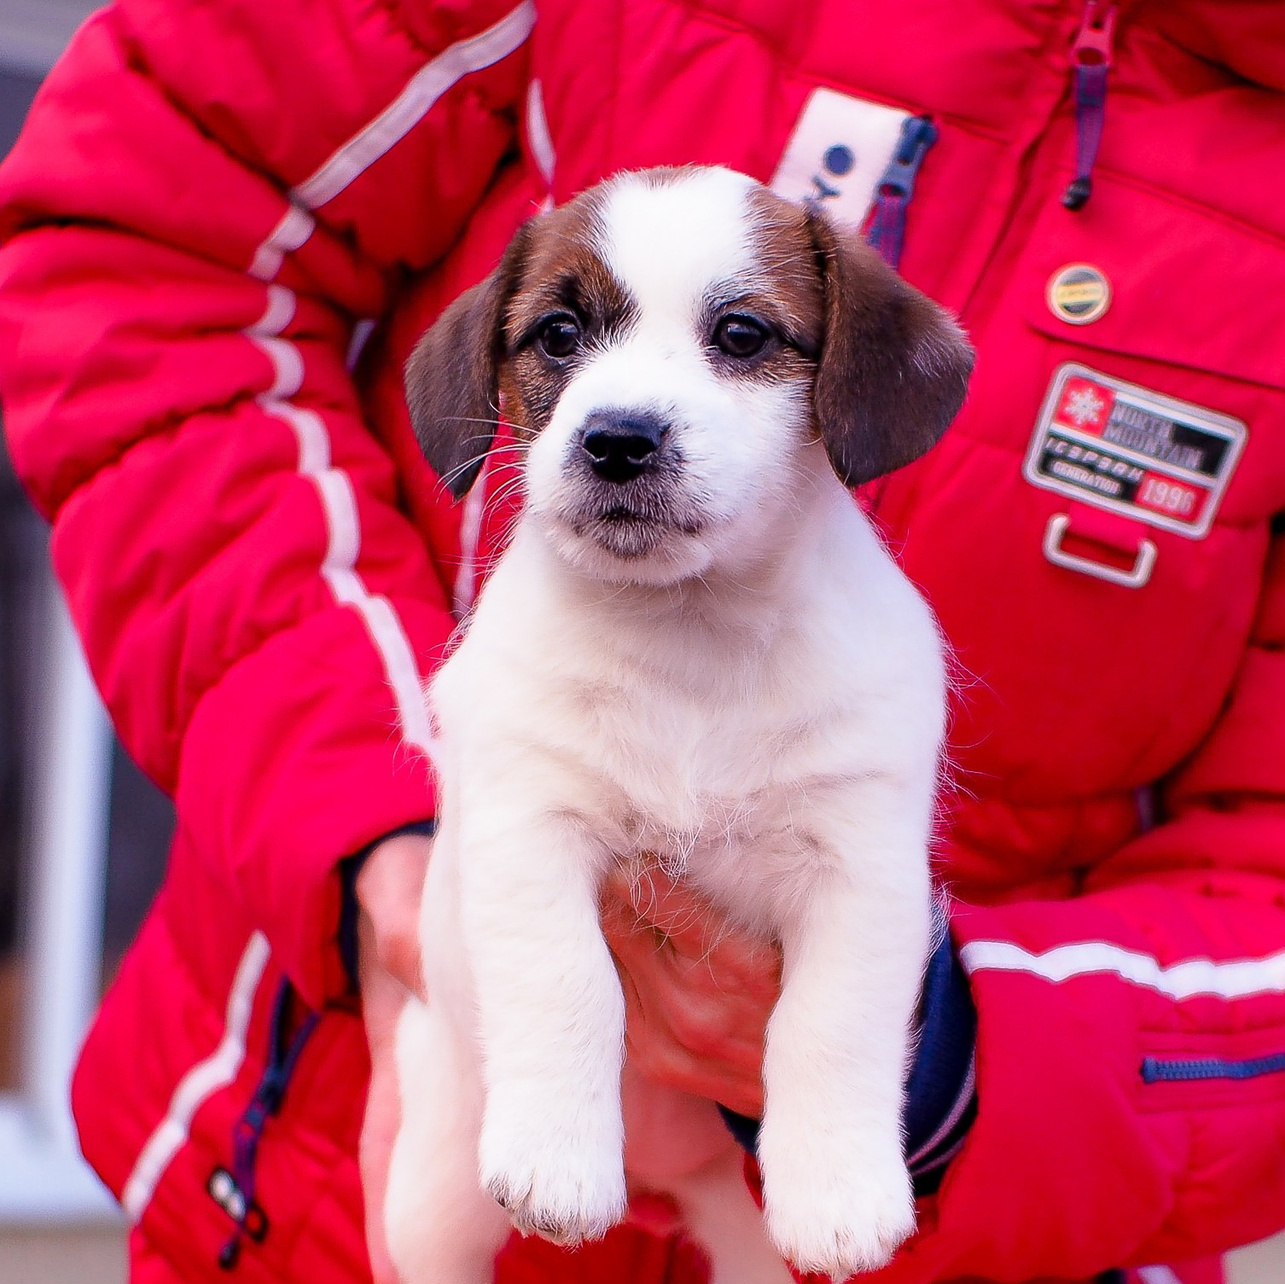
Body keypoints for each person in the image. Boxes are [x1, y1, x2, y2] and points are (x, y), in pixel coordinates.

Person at [1, 2, 1284, 1283]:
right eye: (564, 338)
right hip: (330, 1140)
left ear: (854, 378)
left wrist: (930, 1078)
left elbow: (868, 877)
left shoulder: (877, 652)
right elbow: (151, 224)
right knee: (434, 1227)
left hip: (954, 1200)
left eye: (737, 341)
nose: (625, 410)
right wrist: (368, 834)